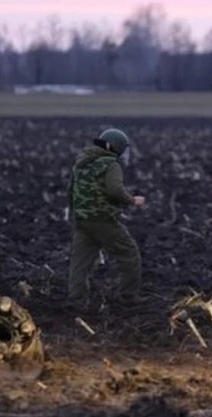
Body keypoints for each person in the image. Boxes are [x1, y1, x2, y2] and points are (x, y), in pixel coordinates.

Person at [66, 128, 146, 311]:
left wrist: (75, 213)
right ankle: (129, 296)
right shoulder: (111, 165)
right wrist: (132, 200)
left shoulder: (81, 162)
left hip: (82, 219)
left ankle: (76, 300)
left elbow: (70, 190)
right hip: (103, 220)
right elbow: (114, 190)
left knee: (80, 261)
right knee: (129, 253)